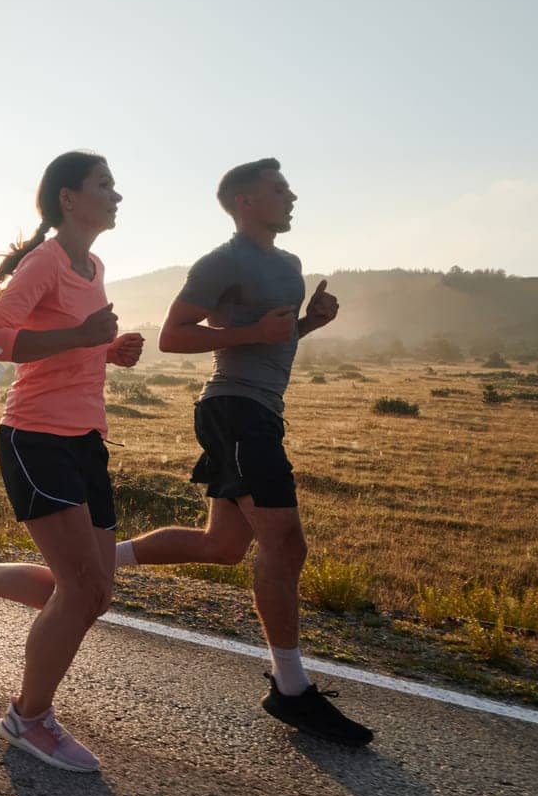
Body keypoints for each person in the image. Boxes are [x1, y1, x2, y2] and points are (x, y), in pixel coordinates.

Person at [113, 157, 373, 746]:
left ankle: (102, 558)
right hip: (233, 409)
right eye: (279, 189)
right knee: (285, 541)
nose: (292, 195)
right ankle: (290, 688)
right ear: (245, 202)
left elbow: (273, 342)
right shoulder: (223, 262)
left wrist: (309, 324)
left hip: (260, 411)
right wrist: (252, 333)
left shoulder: (289, 265)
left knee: (223, 545)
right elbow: (173, 336)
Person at [0, 151, 144, 773]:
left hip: (85, 440)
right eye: (106, 184)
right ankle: (29, 718)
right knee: (82, 591)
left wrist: (105, 350)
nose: (116, 195)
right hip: (36, 438)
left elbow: (70, 344)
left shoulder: (92, 264)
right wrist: (82, 336)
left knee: (87, 594)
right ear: (69, 199)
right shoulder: (46, 262)